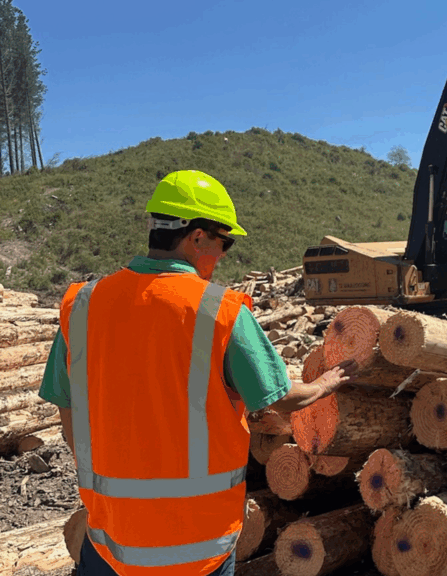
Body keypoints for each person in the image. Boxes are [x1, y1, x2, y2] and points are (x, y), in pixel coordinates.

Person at [38, 170, 355, 575]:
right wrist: (323, 384)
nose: (223, 255)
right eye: (225, 242)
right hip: (197, 548)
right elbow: (280, 397)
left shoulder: (83, 305)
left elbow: (66, 410)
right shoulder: (219, 310)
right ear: (198, 237)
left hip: (109, 539)